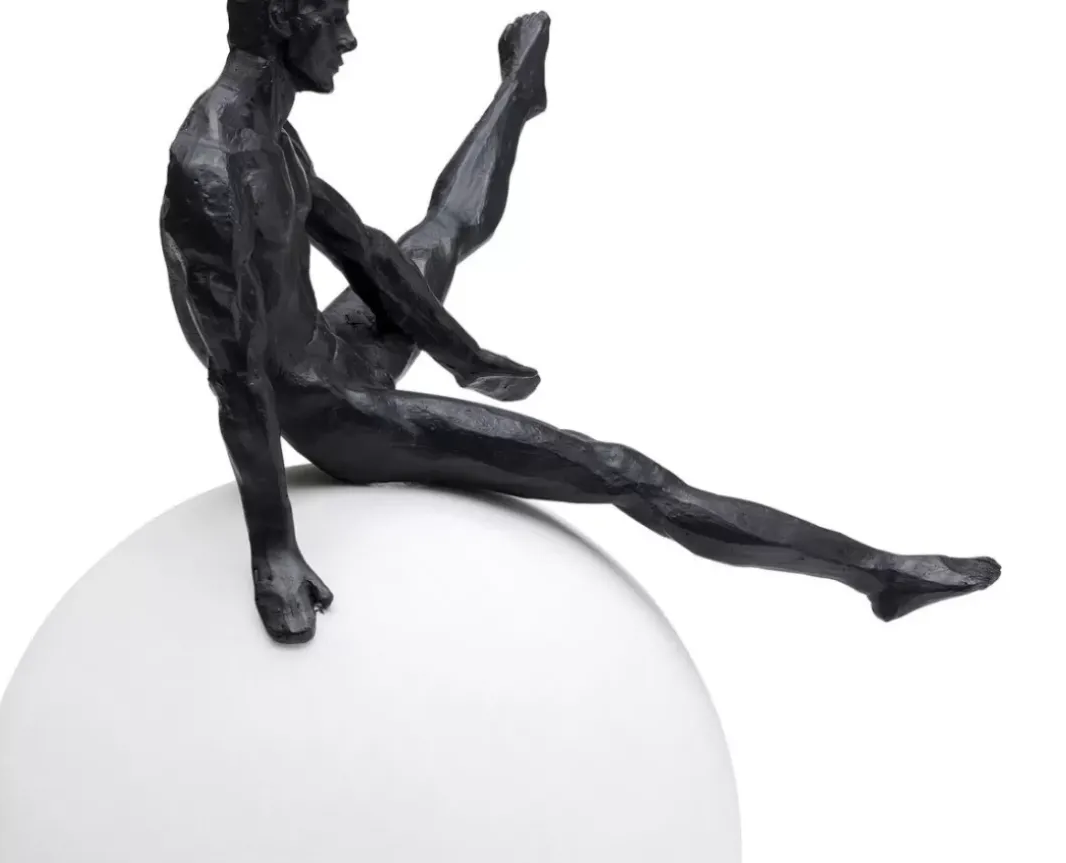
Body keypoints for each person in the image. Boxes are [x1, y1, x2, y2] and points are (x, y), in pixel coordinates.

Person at [161, 1, 999, 644]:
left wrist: (461, 354)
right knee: (616, 469)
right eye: (337, 18)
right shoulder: (211, 166)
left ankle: (516, 98)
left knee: (437, 235)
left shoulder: (273, 135)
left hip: (331, 351)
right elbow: (235, 377)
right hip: (330, 412)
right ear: (286, 20)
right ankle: (876, 575)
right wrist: (274, 551)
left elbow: (365, 253)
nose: (349, 40)